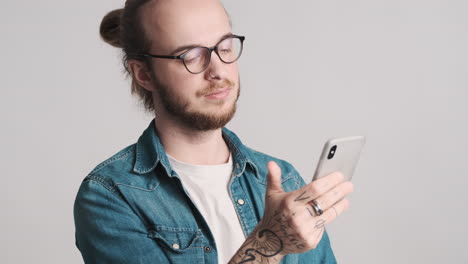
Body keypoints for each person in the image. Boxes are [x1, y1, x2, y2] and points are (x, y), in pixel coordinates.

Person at [73, 0, 354, 263]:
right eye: (191, 55)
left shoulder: (284, 178)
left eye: (225, 46)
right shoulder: (110, 196)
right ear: (144, 74)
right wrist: (270, 242)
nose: (218, 70)